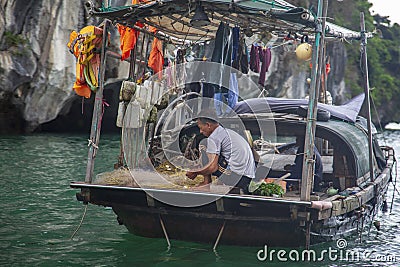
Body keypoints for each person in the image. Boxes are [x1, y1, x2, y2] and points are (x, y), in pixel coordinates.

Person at [186, 110, 256, 194]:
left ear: (208, 125)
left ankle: (206, 184)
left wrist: (196, 172)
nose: (200, 131)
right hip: (247, 176)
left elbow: (212, 167)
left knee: (203, 144)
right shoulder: (224, 131)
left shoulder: (214, 137)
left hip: (239, 178)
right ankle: (210, 182)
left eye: (201, 128)